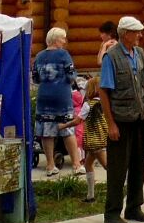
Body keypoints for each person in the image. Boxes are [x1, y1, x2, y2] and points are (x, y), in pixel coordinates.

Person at [99, 15, 144, 223]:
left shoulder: (139, 53)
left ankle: (134, 207)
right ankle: (112, 212)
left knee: (139, 163)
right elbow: (104, 91)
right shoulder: (111, 57)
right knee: (117, 167)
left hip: (139, 116)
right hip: (120, 119)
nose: (140, 35)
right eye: (137, 32)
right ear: (125, 34)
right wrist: (111, 123)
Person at [33, 27, 83, 177]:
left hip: (44, 98)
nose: (65, 41)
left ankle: (50, 165)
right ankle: (76, 164)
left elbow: (35, 78)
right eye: (63, 38)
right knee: (67, 129)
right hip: (62, 97)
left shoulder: (39, 56)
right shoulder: (63, 55)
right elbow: (71, 76)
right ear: (56, 40)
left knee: (47, 132)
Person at [79, 72, 109, 203]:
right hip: (101, 138)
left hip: (94, 141)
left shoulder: (88, 105)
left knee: (108, 166)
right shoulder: (104, 103)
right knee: (88, 164)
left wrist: (63, 126)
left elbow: (78, 120)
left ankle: (116, 191)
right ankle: (90, 195)